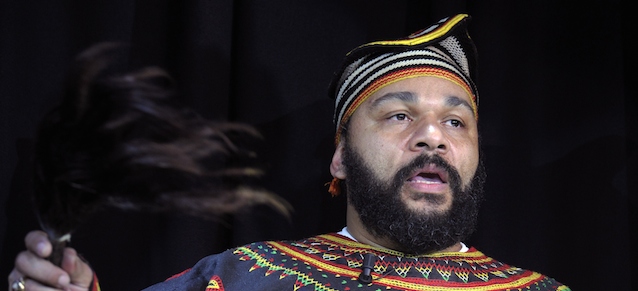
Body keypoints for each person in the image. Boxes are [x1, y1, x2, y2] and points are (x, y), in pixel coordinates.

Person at [8, 14, 570, 291]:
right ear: (340, 159)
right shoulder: (235, 279)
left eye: (456, 120)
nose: (433, 136)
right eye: (399, 115)